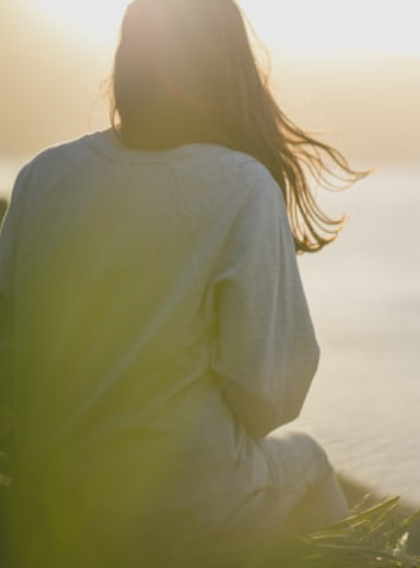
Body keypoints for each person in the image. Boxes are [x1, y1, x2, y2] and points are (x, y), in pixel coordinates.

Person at [0, 0, 366, 566]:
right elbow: (269, 394)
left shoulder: (42, 174)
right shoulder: (241, 186)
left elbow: (9, 345)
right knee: (311, 464)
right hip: (179, 508)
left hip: (52, 496)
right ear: (228, 69)